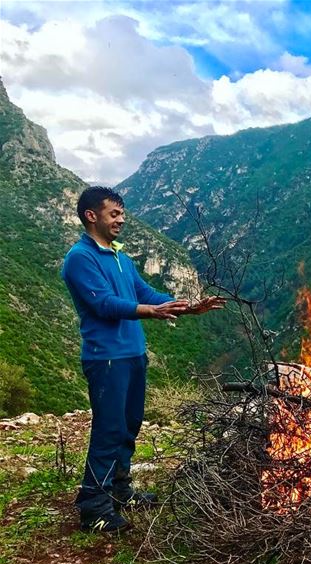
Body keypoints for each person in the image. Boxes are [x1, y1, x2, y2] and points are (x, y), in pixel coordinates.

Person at [61, 186, 226, 532]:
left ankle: (120, 491)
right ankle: (94, 507)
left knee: (130, 425)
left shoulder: (121, 257)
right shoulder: (80, 257)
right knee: (109, 429)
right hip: (106, 358)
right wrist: (152, 311)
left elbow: (145, 293)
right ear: (92, 216)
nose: (122, 219)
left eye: (122, 213)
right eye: (114, 214)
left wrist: (188, 306)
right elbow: (103, 304)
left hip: (133, 354)